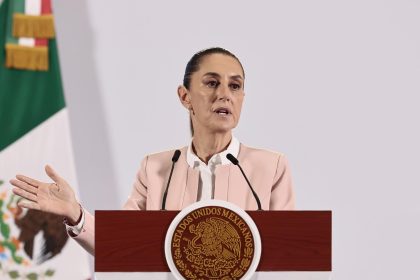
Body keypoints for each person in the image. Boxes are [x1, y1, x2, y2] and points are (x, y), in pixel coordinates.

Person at [10, 47, 295, 256]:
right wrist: (75, 214)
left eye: (235, 86)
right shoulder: (156, 169)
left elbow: (292, 255)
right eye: (211, 83)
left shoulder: (270, 167)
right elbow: (120, 245)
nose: (225, 94)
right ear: (185, 97)